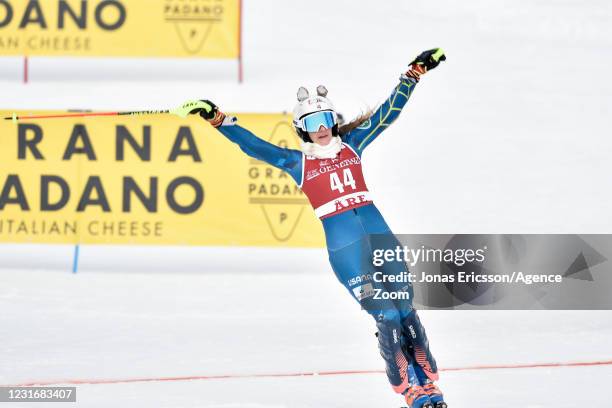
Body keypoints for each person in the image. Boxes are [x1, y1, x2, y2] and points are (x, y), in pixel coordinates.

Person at [186, 48, 447, 408]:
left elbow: (389, 113)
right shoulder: (299, 163)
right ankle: (409, 390)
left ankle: (430, 385)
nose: (321, 128)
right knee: (386, 315)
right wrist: (218, 119)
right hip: (347, 251)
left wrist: (414, 73)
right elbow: (254, 147)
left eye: (325, 118)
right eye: (312, 123)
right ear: (301, 130)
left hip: (382, 239)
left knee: (406, 310)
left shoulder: (352, 146)